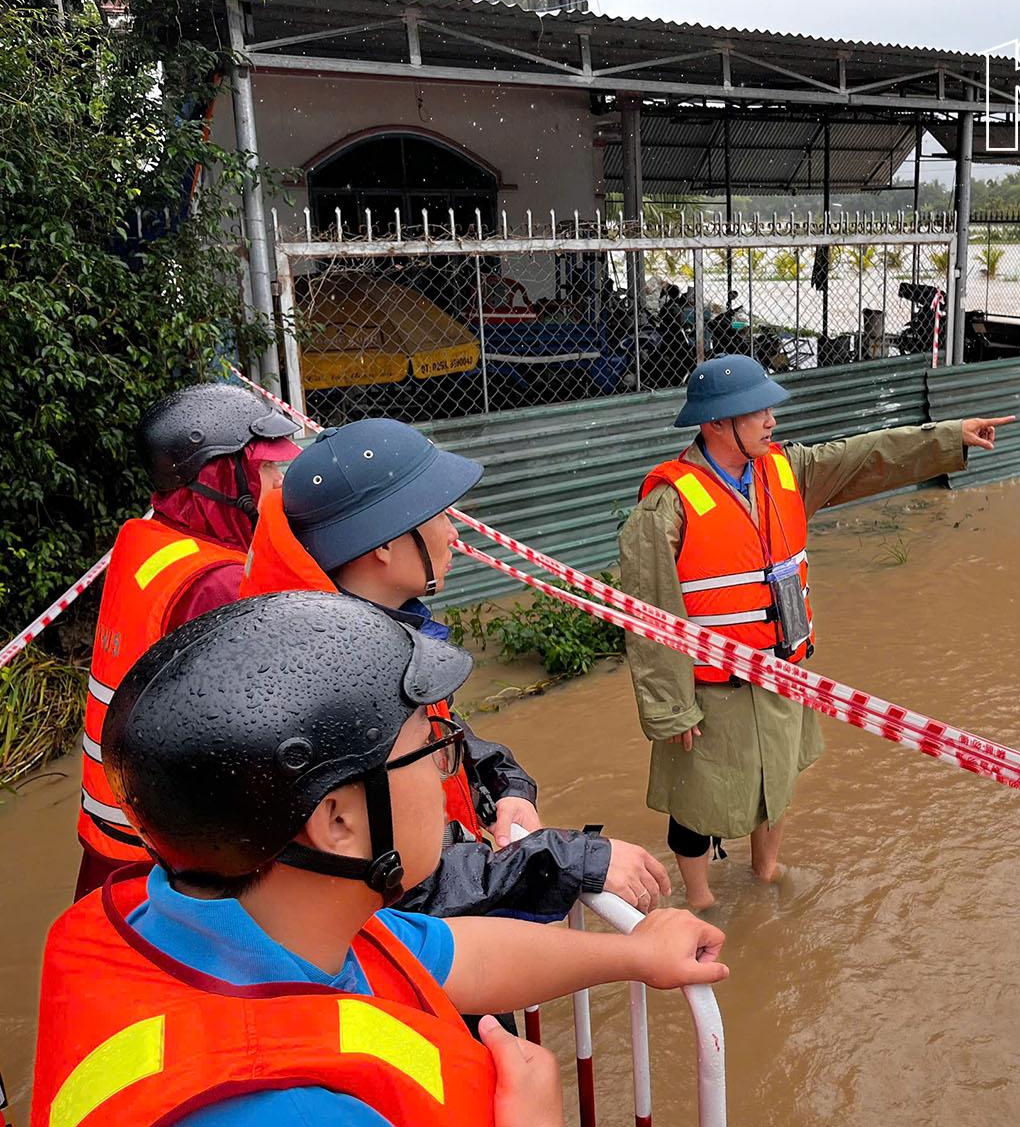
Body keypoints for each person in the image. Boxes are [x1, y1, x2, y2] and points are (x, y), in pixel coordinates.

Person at [31, 592, 727, 1127]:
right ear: (337, 818)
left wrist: (634, 955)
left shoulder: (237, 917)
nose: (449, 768)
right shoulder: (278, 1109)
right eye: (431, 748)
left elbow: (461, 955)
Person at [236, 417, 672, 922]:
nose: (454, 530)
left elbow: (451, 736)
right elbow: (409, 885)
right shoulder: (333, 688)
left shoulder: (377, 640)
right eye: (439, 515)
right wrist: (576, 859)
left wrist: (507, 788)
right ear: (384, 543)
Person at [620, 353, 1015, 909]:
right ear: (715, 424)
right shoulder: (666, 506)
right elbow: (649, 613)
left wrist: (948, 437)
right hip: (712, 690)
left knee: (777, 782)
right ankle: (701, 899)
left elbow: (864, 456)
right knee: (697, 802)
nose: (771, 421)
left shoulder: (787, 469)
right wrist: (669, 706)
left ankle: (766, 870)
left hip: (782, 672)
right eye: (756, 411)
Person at [75, 381, 301, 897]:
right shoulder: (215, 582)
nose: (277, 483)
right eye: (266, 469)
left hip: (112, 833)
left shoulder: (151, 538)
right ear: (221, 476)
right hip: (165, 865)